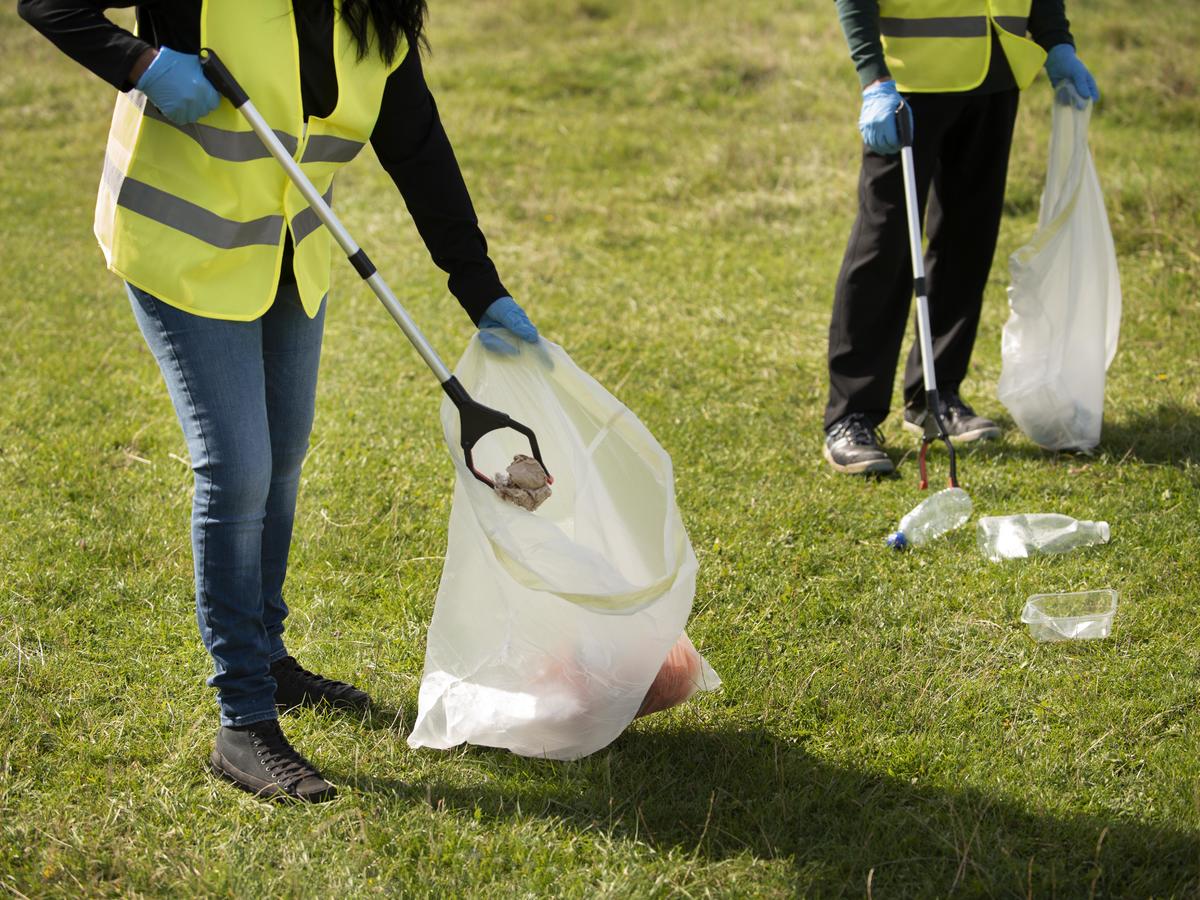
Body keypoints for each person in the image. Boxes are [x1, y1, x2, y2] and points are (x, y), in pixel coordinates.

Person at [18, 0, 540, 802]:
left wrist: (480, 287)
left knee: (284, 458)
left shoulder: (376, 18)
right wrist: (142, 63)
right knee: (239, 470)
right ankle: (244, 718)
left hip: (288, 257)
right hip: (179, 250)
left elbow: (418, 148)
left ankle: (267, 656)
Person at [822, 0, 1100, 474]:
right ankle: (851, 415)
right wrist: (873, 78)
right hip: (910, 83)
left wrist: (1057, 42)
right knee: (886, 244)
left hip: (997, 76)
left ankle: (936, 395)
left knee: (968, 239)